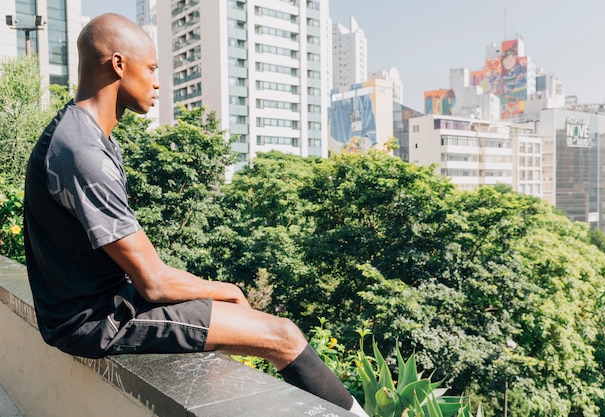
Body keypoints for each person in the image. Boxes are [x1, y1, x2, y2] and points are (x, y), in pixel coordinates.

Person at [23, 13, 367, 417]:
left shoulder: (80, 134)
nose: (157, 83)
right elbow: (153, 282)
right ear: (118, 64)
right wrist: (225, 290)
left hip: (104, 302)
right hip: (96, 322)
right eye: (151, 69)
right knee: (283, 335)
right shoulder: (82, 152)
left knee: (240, 335)